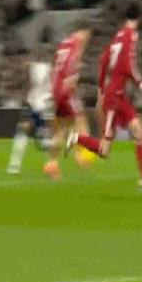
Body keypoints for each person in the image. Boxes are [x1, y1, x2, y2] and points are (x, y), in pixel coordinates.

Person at [65, 1, 142, 192]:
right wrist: (140, 82)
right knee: (104, 150)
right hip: (114, 99)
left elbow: (103, 61)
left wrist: (101, 88)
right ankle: (76, 138)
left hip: (118, 95)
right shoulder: (131, 35)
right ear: (139, 18)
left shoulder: (118, 36)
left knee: (139, 132)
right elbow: (127, 64)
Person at [46, 27, 92, 180]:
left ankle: (52, 164)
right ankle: (81, 155)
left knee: (61, 129)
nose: (86, 42)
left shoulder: (63, 45)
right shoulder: (74, 51)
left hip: (56, 91)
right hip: (66, 92)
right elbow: (69, 73)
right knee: (80, 121)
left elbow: (56, 69)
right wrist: (71, 87)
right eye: (85, 38)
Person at [7, 53, 54, 175]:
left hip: (40, 105)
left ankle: (15, 164)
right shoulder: (49, 69)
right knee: (33, 134)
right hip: (41, 104)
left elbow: (27, 82)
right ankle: (15, 164)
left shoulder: (35, 68)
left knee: (36, 136)